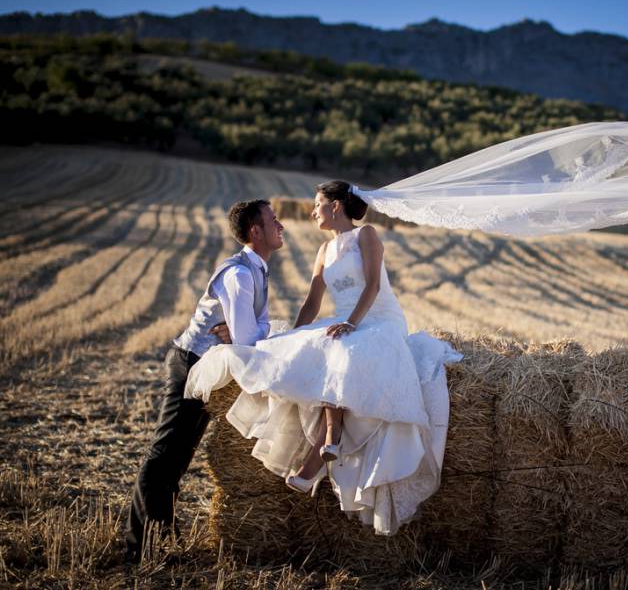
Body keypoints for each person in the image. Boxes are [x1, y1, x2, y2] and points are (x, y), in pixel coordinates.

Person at [185, 180, 461, 535]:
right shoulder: (323, 251)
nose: (312, 211)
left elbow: (374, 286)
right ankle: (328, 441)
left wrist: (350, 323)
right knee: (318, 344)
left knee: (340, 346)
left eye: (317, 204)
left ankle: (323, 446)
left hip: (377, 321)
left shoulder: (367, 236)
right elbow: (313, 303)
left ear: (335, 206)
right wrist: (295, 336)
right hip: (346, 323)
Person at [125, 199, 284, 561]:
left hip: (204, 371)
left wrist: (254, 328)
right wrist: (258, 328)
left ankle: (160, 540)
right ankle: (137, 550)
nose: (282, 225)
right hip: (190, 364)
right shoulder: (239, 275)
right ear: (255, 231)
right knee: (163, 457)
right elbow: (247, 340)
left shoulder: (257, 269)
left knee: (176, 462)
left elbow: (250, 331)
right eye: (273, 220)